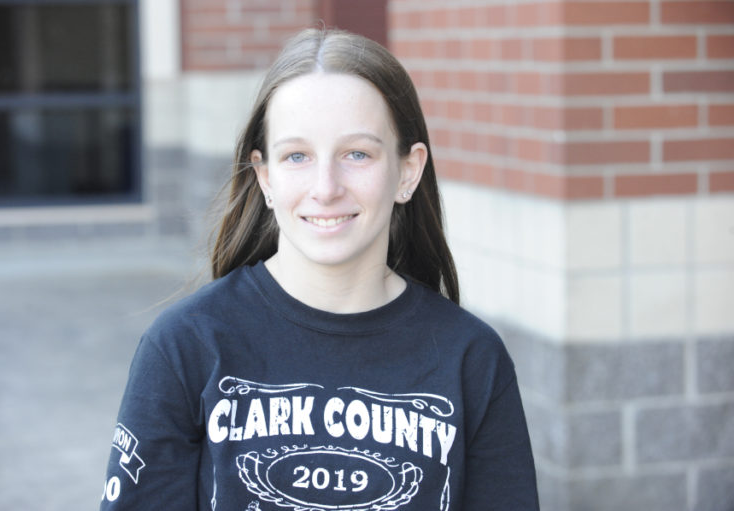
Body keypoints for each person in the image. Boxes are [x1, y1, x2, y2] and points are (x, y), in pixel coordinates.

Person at [100, 28, 539, 511]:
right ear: (265, 177)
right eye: (297, 156)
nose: (325, 187)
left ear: (407, 172)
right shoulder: (186, 345)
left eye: (357, 154)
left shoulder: (471, 358)